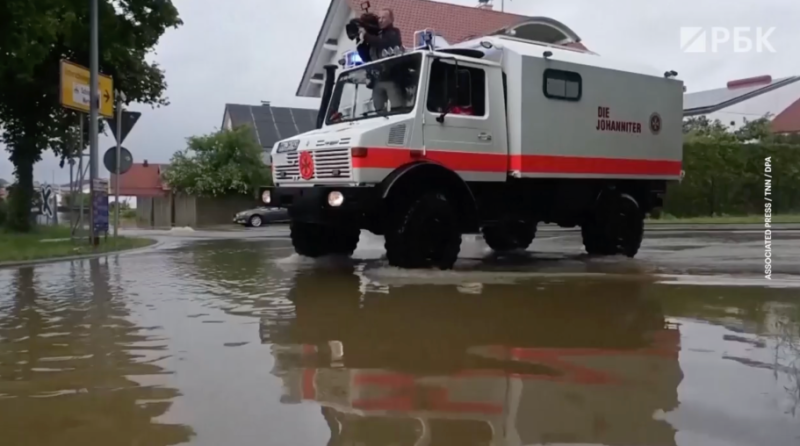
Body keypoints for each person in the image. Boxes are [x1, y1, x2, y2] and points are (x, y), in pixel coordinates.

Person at [359, 8, 405, 112]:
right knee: (378, 110)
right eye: (379, 17)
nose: (380, 20)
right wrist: (360, 42)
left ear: (391, 20)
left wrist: (366, 35)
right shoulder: (374, 35)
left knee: (397, 109)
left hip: (392, 78)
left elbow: (383, 44)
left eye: (384, 18)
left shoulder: (394, 32)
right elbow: (366, 57)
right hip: (377, 79)